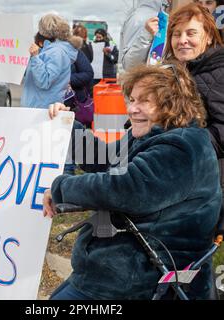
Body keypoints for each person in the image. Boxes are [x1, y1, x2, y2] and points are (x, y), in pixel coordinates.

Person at [43, 62, 221, 300]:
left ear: (172, 104)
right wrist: (67, 126)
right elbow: (106, 159)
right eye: (132, 100)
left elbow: (126, 188)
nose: (132, 109)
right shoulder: (154, 134)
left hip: (146, 276)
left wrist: (61, 188)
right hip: (122, 265)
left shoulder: (183, 146)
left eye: (144, 101)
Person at [164, 2, 224, 238]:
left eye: (191, 33)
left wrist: (181, 144)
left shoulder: (218, 73)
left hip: (206, 185)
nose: (182, 40)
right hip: (176, 177)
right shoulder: (176, 72)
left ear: (208, 37)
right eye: (176, 34)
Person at [20, 14, 80, 109]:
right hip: (41, 108)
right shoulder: (51, 50)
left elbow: (44, 81)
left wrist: (35, 58)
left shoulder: (56, 52)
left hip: (42, 110)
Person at [120, 0, 172, 71]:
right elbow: (130, 66)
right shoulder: (141, 17)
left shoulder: (167, 16)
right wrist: (146, 35)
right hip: (147, 80)